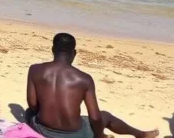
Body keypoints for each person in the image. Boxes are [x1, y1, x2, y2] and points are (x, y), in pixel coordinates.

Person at [25, 33, 158, 138]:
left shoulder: (35, 70)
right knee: (105, 116)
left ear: (53, 50)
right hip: (74, 134)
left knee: (28, 112)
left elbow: (32, 105)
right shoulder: (84, 79)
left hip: (43, 130)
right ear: (74, 53)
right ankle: (140, 134)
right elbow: (95, 117)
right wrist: (98, 135)